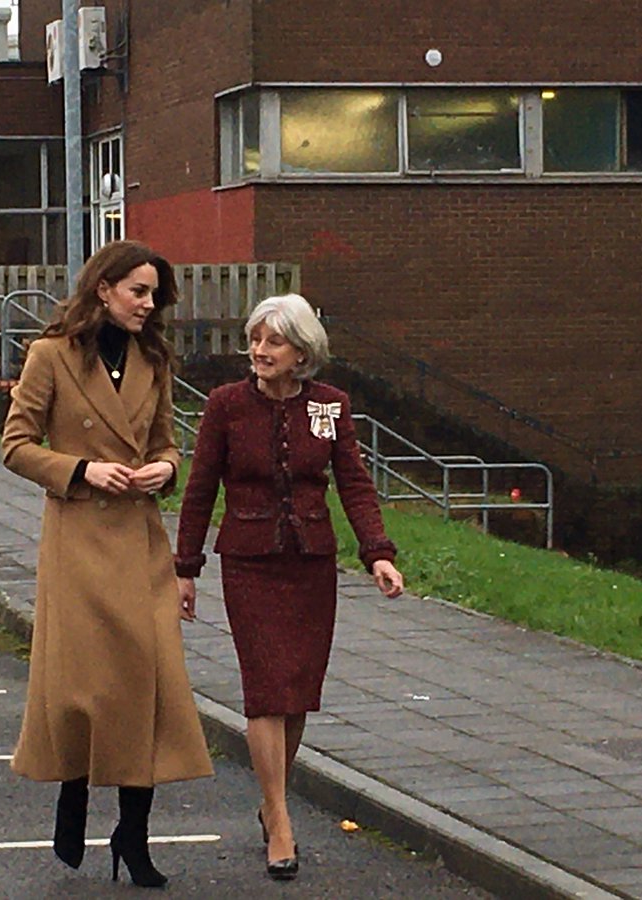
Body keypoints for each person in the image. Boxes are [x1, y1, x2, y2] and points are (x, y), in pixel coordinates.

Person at [1, 240, 213, 889]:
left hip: (140, 542)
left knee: (146, 687)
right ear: (104, 290)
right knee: (81, 688)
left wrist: (166, 469)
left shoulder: (153, 358)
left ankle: (134, 835)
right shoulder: (50, 356)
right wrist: (82, 469)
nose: (149, 306)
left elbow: (168, 443)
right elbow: (15, 444)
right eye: (139, 292)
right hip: (78, 542)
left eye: (154, 295)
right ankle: (72, 797)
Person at [175, 293, 405, 881]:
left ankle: (272, 797)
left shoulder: (330, 406)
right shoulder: (227, 406)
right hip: (249, 562)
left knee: (298, 691)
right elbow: (200, 488)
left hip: (311, 563)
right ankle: (278, 818)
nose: (259, 351)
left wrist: (377, 553)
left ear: (301, 351)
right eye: (255, 340)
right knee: (264, 689)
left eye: (273, 341)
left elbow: (353, 483)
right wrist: (186, 566)